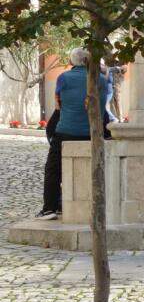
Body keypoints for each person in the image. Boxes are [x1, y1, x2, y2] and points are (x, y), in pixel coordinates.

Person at [37, 48, 111, 220]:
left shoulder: (64, 78)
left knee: (53, 169)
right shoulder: (101, 79)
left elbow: (58, 102)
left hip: (67, 131)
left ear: (72, 62)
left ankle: (50, 208)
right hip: (93, 133)